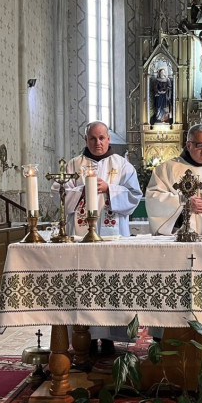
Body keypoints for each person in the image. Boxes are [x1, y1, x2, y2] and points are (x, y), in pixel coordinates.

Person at [59, 121, 143, 354]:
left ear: (109, 139)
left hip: (112, 238)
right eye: (93, 138)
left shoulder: (122, 165)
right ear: (85, 139)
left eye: (102, 138)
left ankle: (109, 338)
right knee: (83, 284)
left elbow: (135, 196)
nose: (98, 142)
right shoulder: (73, 165)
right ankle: (84, 335)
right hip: (80, 239)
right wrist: (82, 189)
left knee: (112, 284)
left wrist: (109, 189)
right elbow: (60, 195)